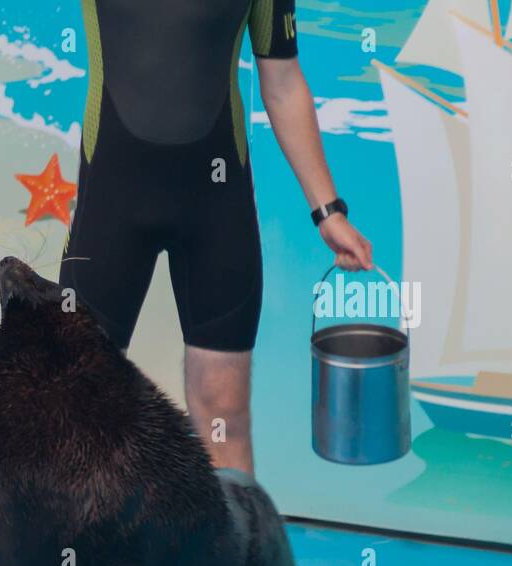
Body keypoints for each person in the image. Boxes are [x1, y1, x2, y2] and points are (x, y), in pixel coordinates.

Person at [60, 0, 373, 475]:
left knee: (224, 414)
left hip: (214, 210)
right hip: (111, 209)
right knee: (78, 411)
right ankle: (74, 551)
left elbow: (283, 79)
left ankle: (234, 550)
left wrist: (327, 211)